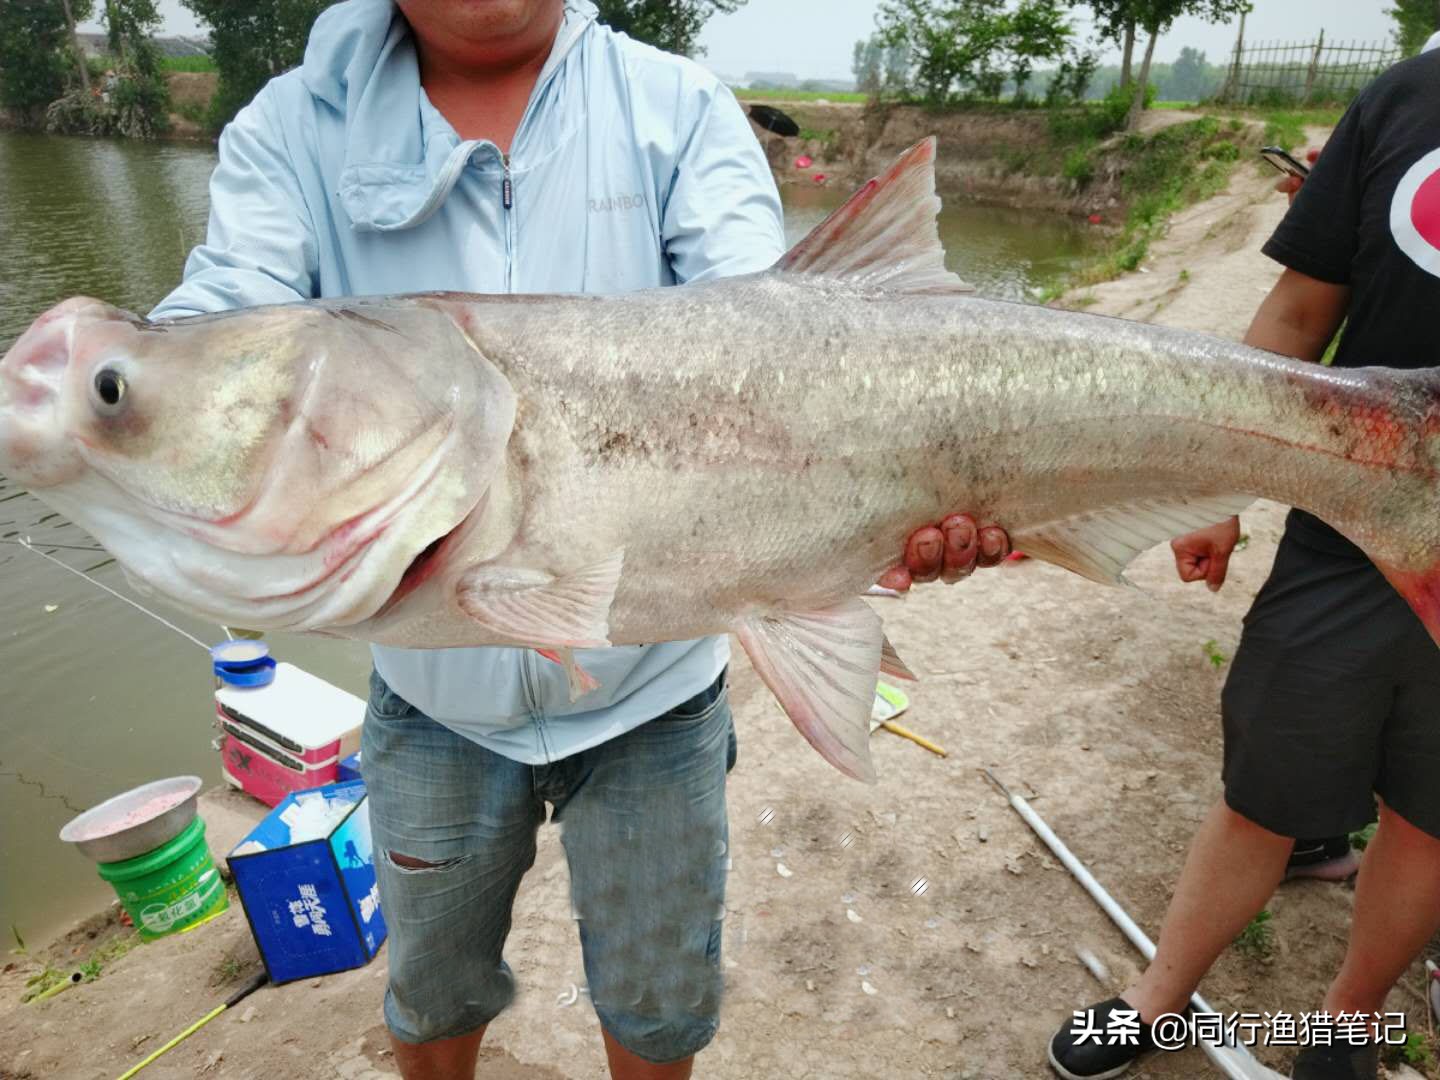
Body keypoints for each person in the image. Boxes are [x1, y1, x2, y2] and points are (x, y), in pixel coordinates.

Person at [151, 2, 1005, 1076]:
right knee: (432, 993)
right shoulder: (292, 131)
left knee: (658, 1004)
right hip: (432, 696)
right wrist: (124, 381)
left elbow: (786, 333)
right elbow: (227, 322)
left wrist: (892, 496)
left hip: (656, 686)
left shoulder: (674, 106)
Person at [1048, 47, 1440, 1080]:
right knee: (1264, 786)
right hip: (1347, 522)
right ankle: (1156, 1000)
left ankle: (1349, 1022)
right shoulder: (1404, 98)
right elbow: (1301, 314)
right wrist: (1219, 488)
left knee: (1431, 811)